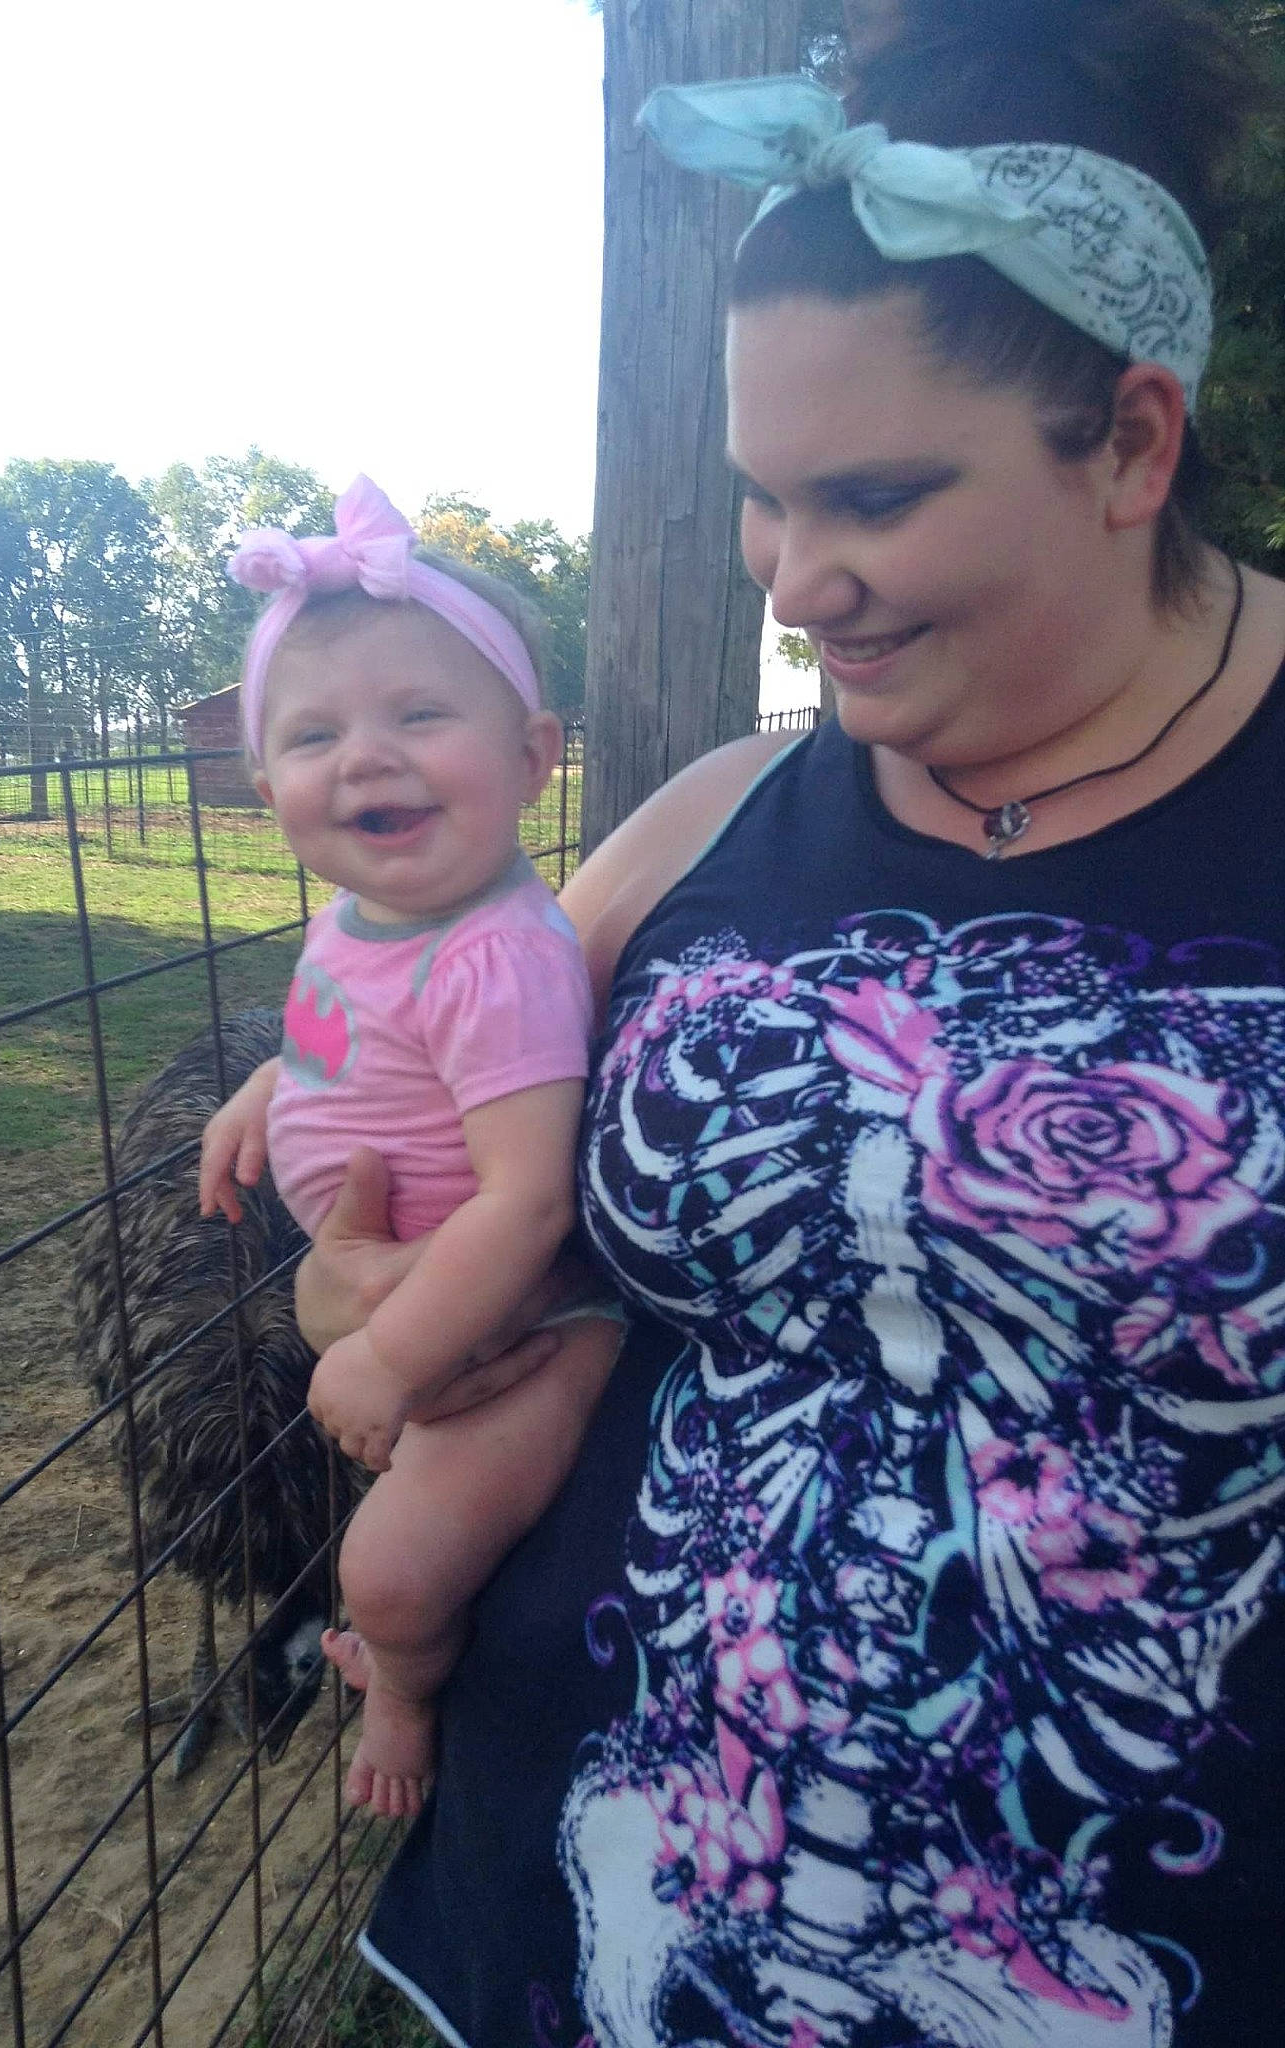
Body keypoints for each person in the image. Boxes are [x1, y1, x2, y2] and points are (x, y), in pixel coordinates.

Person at [288, 4, 1285, 2043]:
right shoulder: (709, 818)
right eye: (762, 498)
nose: (798, 578)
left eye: (877, 498)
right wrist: (374, 1277)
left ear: (1134, 442)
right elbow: (401, 1161)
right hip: (579, 1916)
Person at [198, 476, 622, 1818]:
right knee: (380, 1547)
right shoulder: (360, 914)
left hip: (531, 1334)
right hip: (427, 1305)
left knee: (386, 1575)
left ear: (532, 754)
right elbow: (348, 1045)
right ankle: (391, 1641)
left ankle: (400, 1684)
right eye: (314, 734)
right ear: (268, 785)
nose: (363, 756)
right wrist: (271, 1084)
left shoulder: (496, 955)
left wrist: (387, 1350)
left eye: (418, 715)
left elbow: (525, 1200)